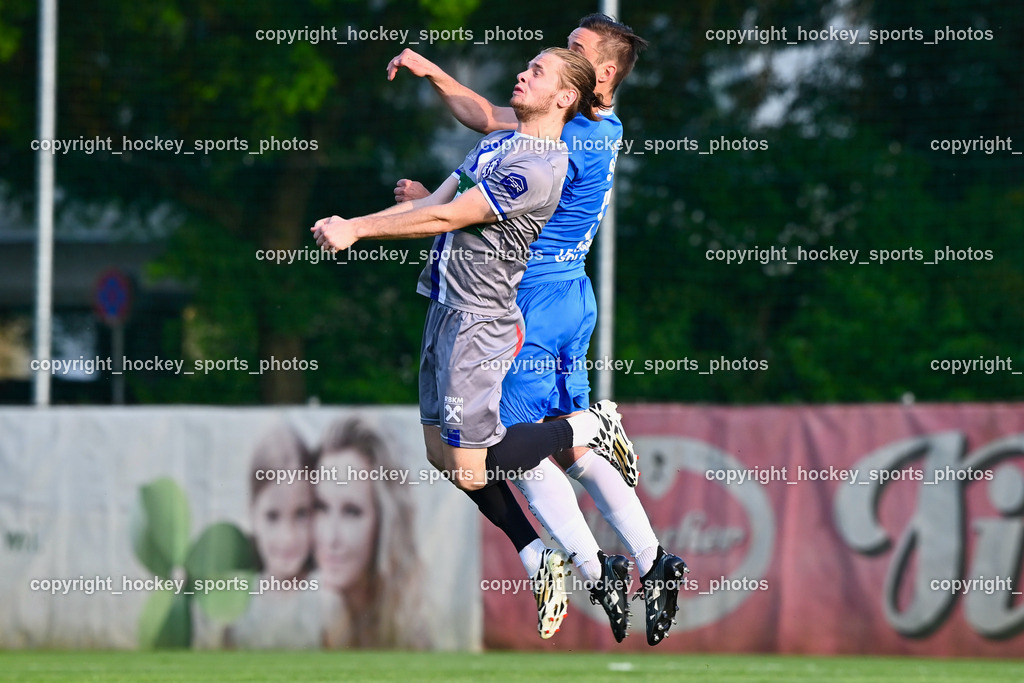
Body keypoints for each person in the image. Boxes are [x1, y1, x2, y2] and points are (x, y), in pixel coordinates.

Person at [312, 47, 637, 640]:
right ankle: (542, 557)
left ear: (565, 98)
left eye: (538, 72)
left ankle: (588, 429)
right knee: (447, 462)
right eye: (528, 65)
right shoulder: (498, 144)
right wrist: (360, 218)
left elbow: (448, 219)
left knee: (475, 463)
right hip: (442, 312)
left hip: (479, 323)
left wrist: (357, 231)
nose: (522, 73)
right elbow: (433, 205)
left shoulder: (542, 164)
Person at [386, 14, 689, 646]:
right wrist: (434, 76)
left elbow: (495, 181)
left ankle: (585, 562)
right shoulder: (596, 124)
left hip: (529, 300)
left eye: (574, 54)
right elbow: (486, 124)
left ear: (596, 76)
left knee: (511, 447)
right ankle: (653, 561)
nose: (558, 61)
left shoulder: (566, 137)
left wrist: (440, 207)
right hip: (563, 293)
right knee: (563, 453)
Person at [313, 415, 426, 649]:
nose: (331, 537)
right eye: (322, 508)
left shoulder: (415, 633)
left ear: (385, 522)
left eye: (351, 512)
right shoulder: (327, 626)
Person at [226, 422, 339, 649]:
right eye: (272, 516)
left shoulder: (326, 601)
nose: (287, 537)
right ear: (252, 513)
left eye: (300, 515)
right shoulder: (236, 601)